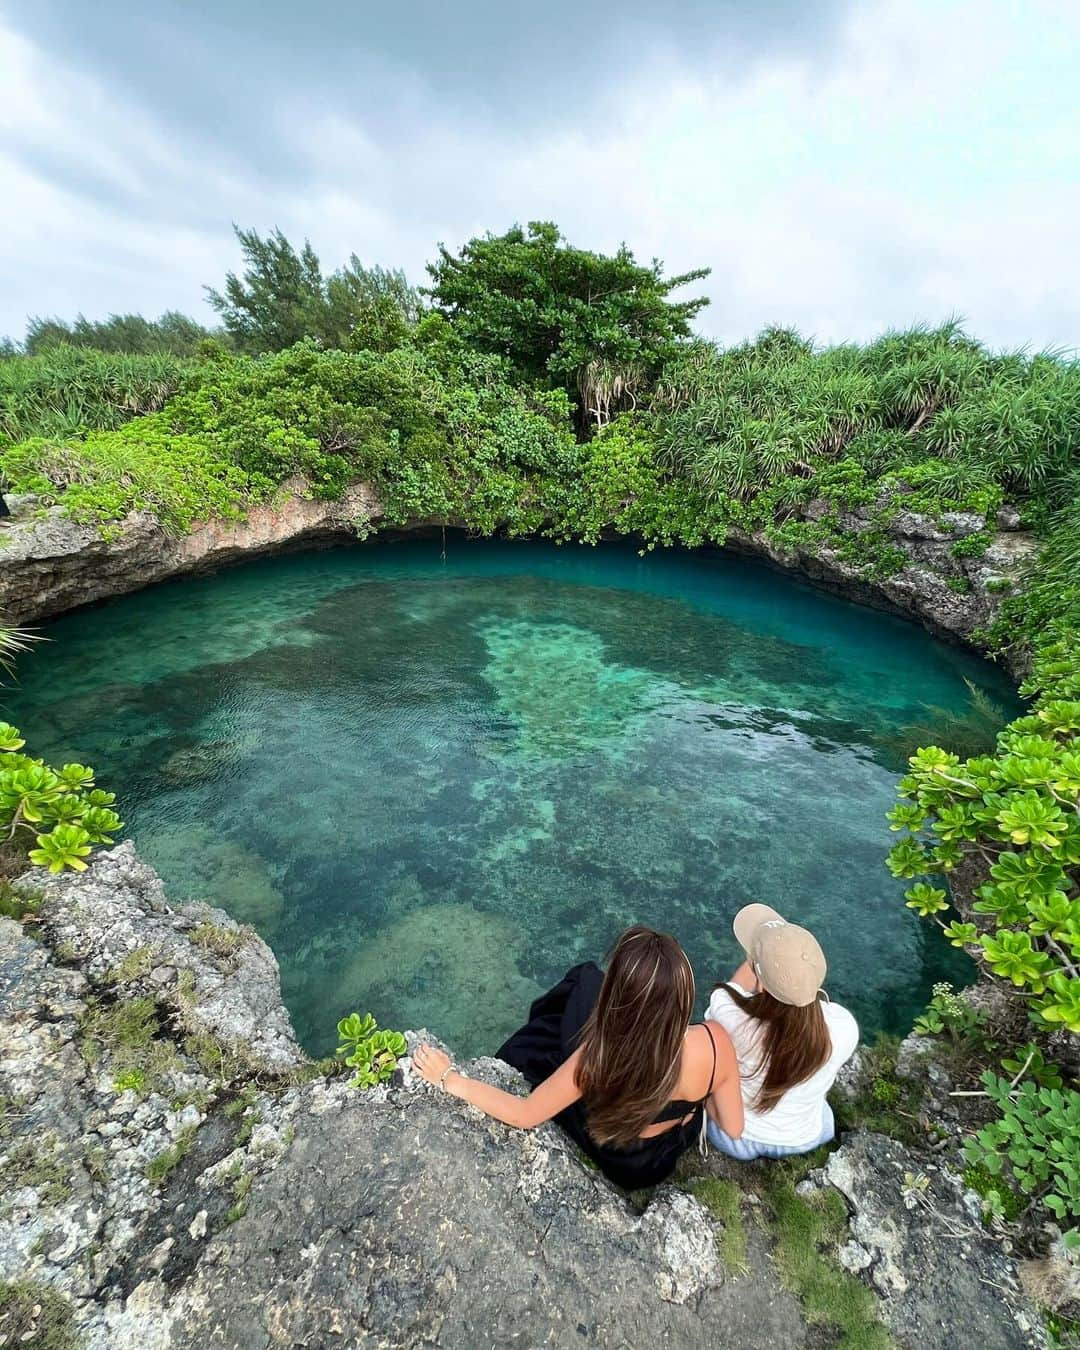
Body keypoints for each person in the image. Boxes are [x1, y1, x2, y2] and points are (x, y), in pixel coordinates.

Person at [413, 926, 744, 1189]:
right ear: (683, 999)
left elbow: (524, 1115)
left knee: (582, 983)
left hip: (617, 1156)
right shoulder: (716, 1044)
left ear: (617, 996)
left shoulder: (597, 1057)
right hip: (657, 1161)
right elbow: (733, 1127)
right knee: (583, 986)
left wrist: (450, 1079)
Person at [705, 903, 858, 1161]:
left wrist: (760, 953)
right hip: (806, 1137)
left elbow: (732, 989)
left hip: (740, 1141)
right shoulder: (844, 1027)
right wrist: (781, 960)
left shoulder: (729, 1015)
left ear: (760, 982)